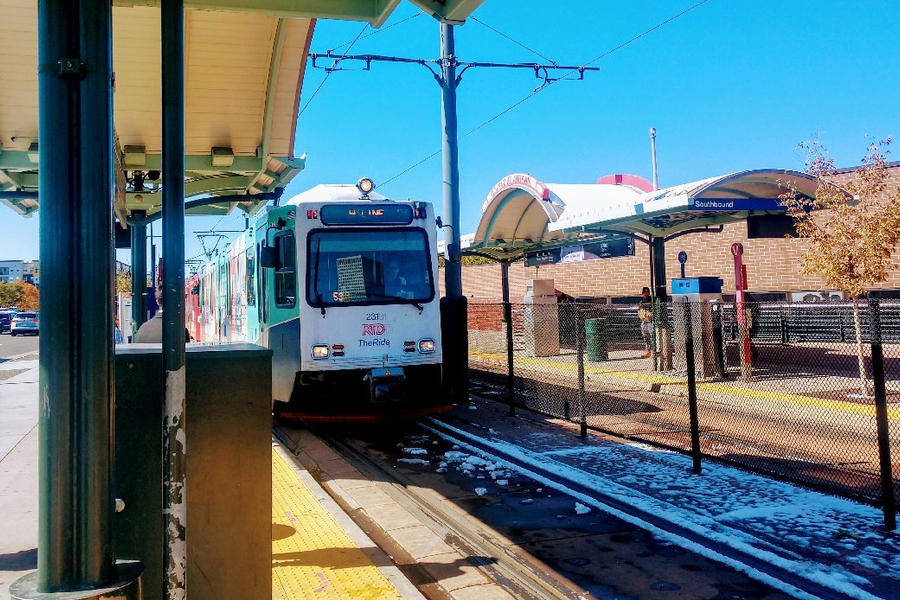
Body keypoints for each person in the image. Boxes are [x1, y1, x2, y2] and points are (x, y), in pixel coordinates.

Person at [637, 286, 654, 358]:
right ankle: (647, 350)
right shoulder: (641, 301)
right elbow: (639, 309)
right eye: (645, 292)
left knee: (652, 336)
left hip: (650, 320)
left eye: (647, 292)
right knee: (645, 336)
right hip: (644, 320)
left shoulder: (652, 300)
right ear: (643, 293)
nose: (646, 294)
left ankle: (653, 351)